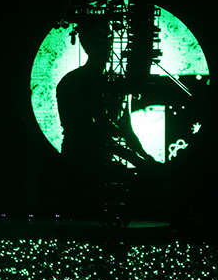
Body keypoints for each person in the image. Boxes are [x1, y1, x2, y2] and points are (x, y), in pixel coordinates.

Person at [56, 16, 157, 170]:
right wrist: (140, 159)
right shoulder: (73, 83)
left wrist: (144, 156)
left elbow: (124, 128)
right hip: (79, 160)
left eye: (108, 39)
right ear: (86, 44)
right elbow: (95, 131)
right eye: (99, 40)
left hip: (94, 157)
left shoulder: (111, 83)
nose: (106, 45)